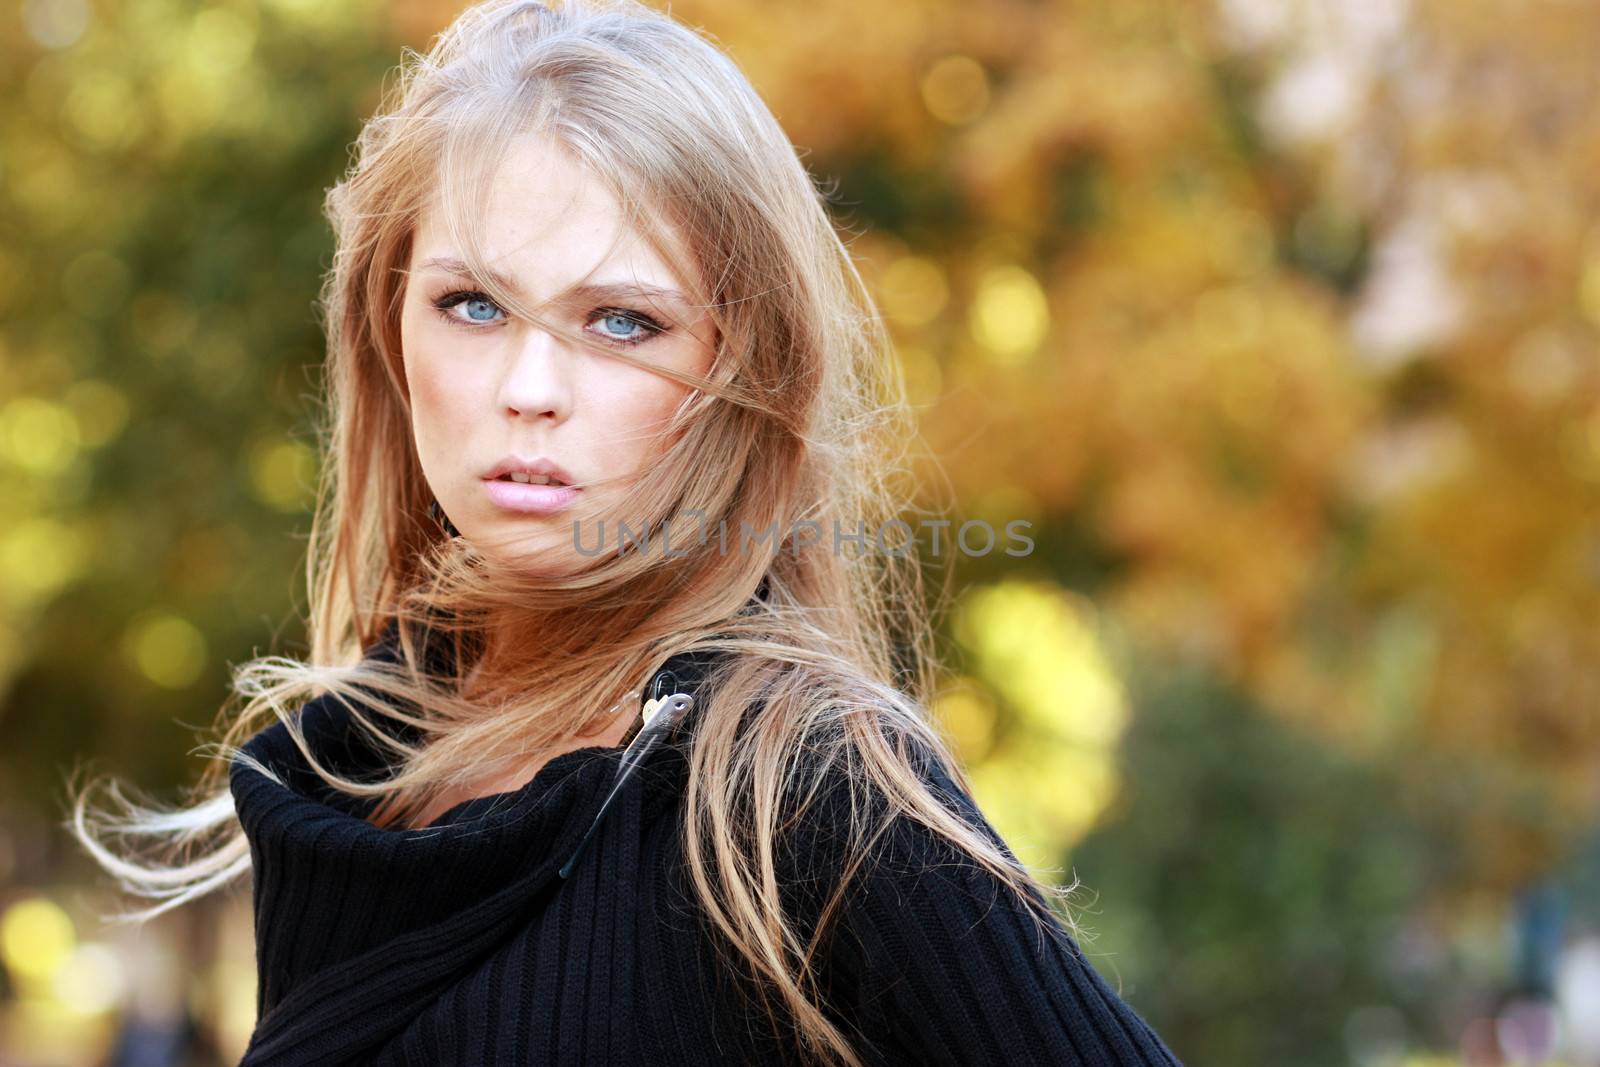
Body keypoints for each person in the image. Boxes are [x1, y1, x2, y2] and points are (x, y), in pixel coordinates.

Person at [68, 0, 1186, 1063]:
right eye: (472, 304)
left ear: (744, 369)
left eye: (622, 321)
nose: (530, 386)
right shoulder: (348, 763)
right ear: (385, 326)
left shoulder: (795, 784)